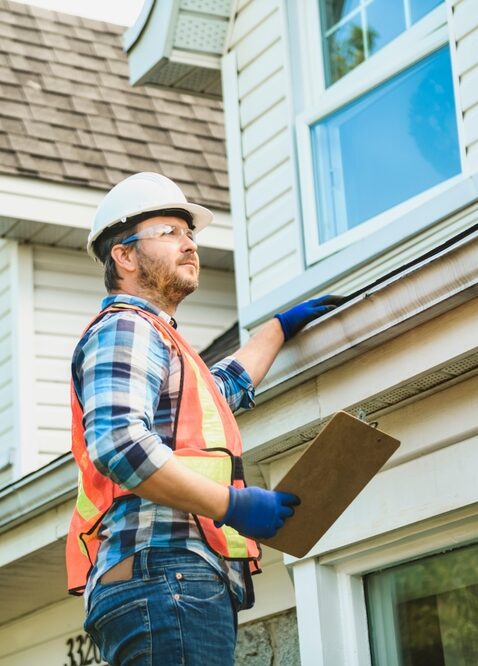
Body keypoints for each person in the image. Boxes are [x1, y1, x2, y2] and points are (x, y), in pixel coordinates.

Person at [66, 172, 343, 665]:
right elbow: (120, 444)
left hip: (169, 581)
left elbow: (222, 390)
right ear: (124, 256)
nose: (189, 244)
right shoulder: (127, 327)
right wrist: (233, 505)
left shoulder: (162, 341)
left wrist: (277, 329)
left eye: (190, 233)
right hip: (166, 576)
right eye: (169, 232)